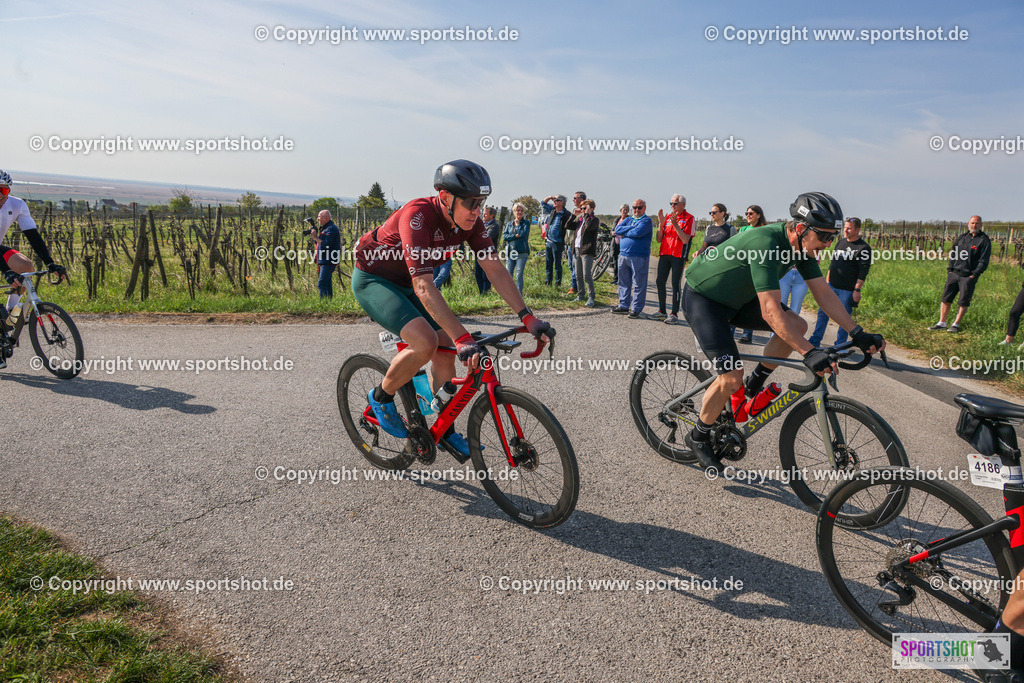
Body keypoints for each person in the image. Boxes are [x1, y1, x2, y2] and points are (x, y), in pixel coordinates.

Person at [351, 160, 552, 459]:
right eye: (470, 202)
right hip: (375, 280)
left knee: (445, 346)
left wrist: (527, 316)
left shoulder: (471, 224)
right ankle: (381, 397)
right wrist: (463, 338)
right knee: (427, 341)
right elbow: (423, 286)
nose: (476, 210)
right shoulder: (417, 216)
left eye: (481, 202)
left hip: (411, 281)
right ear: (445, 198)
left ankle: (445, 429)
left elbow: (495, 269)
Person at [681, 191, 885, 470]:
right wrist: (808, 351)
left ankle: (757, 379)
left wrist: (857, 332)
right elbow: (769, 311)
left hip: (739, 299)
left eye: (832, 238)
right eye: (824, 237)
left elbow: (824, 294)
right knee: (730, 377)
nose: (827, 244)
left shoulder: (803, 247)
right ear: (801, 229)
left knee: (798, 325)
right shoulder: (765, 242)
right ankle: (698, 436)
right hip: (706, 298)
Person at [0, 170, 67, 368]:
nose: (0, 194)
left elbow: (33, 236)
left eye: (3, 189)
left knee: (26, 267)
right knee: (11, 272)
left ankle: (10, 314)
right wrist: (6, 271)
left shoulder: (17, 205)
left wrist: (50, 263)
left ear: (9, 189)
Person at [809, 217, 871, 348]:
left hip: (847, 290)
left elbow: (863, 271)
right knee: (822, 314)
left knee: (843, 318)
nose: (846, 230)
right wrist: (827, 282)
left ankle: (840, 346)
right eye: (845, 227)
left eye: (849, 228)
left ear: (857, 230)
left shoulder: (863, 247)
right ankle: (815, 341)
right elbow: (833, 264)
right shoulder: (841, 242)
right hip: (831, 286)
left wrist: (857, 290)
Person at [929, 215, 991, 333]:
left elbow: (984, 260)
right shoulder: (962, 237)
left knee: (963, 301)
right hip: (954, 273)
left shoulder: (984, 240)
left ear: (981, 225)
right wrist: (950, 270)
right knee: (946, 298)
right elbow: (954, 253)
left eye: (977, 223)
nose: (974, 225)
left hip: (968, 276)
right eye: (972, 223)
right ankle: (942, 322)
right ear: (968, 224)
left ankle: (956, 324)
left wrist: (974, 275)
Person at [651, 194, 694, 324]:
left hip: (678, 255)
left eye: (675, 203)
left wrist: (675, 224)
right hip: (665, 253)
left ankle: (674, 314)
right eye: (671, 203)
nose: (672, 206)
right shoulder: (668, 217)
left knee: (675, 284)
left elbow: (685, 239)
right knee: (660, 281)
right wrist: (661, 224)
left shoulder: (689, 218)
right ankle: (662, 311)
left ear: (683, 205)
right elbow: (659, 239)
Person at [612, 199, 653, 319]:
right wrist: (629, 228)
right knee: (623, 282)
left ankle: (636, 308)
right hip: (623, 254)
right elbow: (617, 230)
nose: (636, 210)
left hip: (639, 256)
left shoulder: (646, 220)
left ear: (644, 208)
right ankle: (623, 305)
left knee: (638, 283)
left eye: (639, 207)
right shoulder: (629, 219)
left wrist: (626, 232)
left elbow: (638, 233)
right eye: (634, 207)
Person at [737, 205, 768, 343]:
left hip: (756, 268)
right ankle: (731, 329)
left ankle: (747, 333)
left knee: (750, 301)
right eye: (746, 213)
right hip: (743, 267)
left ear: (758, 215)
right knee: (737, 299)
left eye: (751, 213)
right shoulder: (743, 229)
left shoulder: (764, 230)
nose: (748, 215)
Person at [572, 198, 600, 307]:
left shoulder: (594, 220)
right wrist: (574, 215)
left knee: (586, 275)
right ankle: (580, 295)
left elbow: (589, 227)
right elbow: (568, 226)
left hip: (587, 250)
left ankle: (591, 297)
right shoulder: (580, 220)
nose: (582, 210)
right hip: (577, 249)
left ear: (591, 209)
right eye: (581, 208)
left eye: (585, 208)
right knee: (578, 274)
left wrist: (587, 215)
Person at [541, 195, 571, 287]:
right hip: (549, 241)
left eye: (557, 200)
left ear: (562, 203)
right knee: (548, 264)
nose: (554, 201)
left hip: (558, 242)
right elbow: (543, 203)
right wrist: (550, 197)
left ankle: (558, 284)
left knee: (557, 265)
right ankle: (548, 282)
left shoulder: (566, 214)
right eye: (554, 200)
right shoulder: (553, 211)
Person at [311, 209, 341, 298]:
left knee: (322, 283)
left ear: (325, 218)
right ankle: (328, 303)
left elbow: (326, 244)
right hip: (325, 259)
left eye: (319, 217)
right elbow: (320, 244)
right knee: (327, 283)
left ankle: (323, 304)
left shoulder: (331, 229)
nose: (317, 219)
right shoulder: (326, 228)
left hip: (328, 260)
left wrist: (315, 237)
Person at [502, 203, 531, 293]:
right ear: (514, 212)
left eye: (522, 210)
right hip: (511, 252)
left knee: (519, 274)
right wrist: (515, 236)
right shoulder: (509, 224)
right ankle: (509, 292)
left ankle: (519, 293)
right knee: (508, 274)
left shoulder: (526, 223)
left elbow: (523, 234)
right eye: (518, 210)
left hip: (522, 252)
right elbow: (504, 237)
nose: (520, 212)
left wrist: (518, 225)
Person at [474, 206, 501, 294]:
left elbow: (487, 237)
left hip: (488, 254)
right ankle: (481, 292)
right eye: (483, 213)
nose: (483, 215)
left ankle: (486, 293)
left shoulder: (494, 226)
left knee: (485, 274)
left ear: (492, 215)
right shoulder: (483, 225)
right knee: (478, 274)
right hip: (479, 253)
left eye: (486, 214)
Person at [566, 191, 586, 296]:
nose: (573, 200)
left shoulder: (585, 213)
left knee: (575, 266)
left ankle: (575, 286)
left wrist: (580, 215)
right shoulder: (575, 211)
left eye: (575, 198)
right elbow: (568, 227)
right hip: (570, 243)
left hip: (578, 245)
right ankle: (574, 284)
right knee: (570, 265)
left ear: (581, 199)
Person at [612, 203, 627, 282]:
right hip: (615, 242)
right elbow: (613, 229)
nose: (624, 211)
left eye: (626, 210)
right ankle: (615, 278)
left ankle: (621, 279)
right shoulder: (617, 219)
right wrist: (612, 232)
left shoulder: (629, 220)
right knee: (615, 261)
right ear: (620, 211)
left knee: (622, 262)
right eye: (623, 210)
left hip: (623, 243)